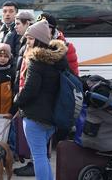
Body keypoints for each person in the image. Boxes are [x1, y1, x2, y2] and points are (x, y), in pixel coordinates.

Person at [12, 19, 68, 180]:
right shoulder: (58, 60)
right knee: (42, 155)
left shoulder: (36, 61)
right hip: (53, 116)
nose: (27, 41)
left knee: (38, 157)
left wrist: (17, 99)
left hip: (35, 116)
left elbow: (30, 89)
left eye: (30, 38)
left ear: (38, 40)